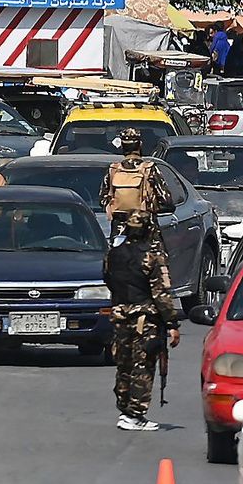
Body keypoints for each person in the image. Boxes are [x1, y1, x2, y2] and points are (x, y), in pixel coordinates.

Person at [103, 210, 181, 431]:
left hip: (119, 316)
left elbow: (108, 280)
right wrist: (172, 323)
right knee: (143, 366)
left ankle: (125, 410)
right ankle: (135, 414)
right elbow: (161, 294)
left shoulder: (113, 254)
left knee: (124, 365)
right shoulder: (153, 256)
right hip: (144, 320)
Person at [99, 128, 174, 241]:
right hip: (146, 232)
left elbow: (103, 200)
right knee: (158, 257)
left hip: (119, 232)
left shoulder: (113, 170)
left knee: (115, 257)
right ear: (140, 145)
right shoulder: (149, 169)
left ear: (122, 148)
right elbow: (166, 202)